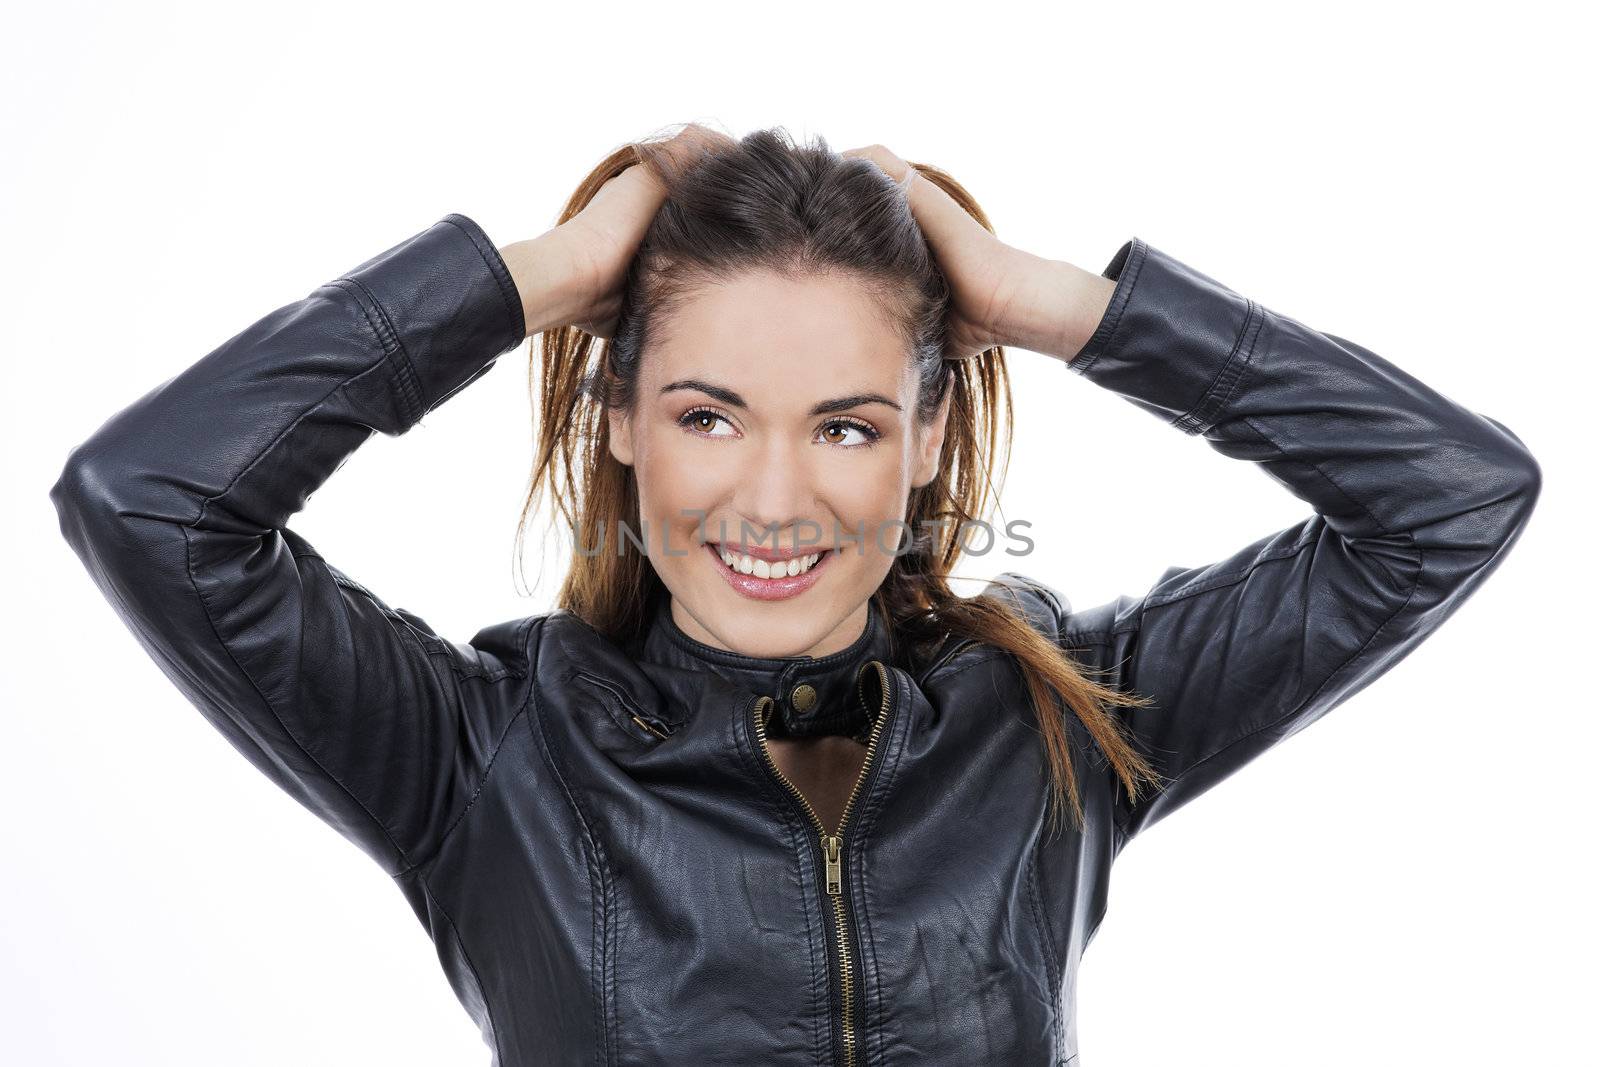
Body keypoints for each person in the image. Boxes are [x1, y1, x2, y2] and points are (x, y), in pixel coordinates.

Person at [49, 123, 1541, 1065]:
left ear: (928, 439)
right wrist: (543, 274)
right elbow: (150, 502)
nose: (773, 500)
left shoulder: (1056, 721)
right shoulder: (483, 755)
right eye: (707, 416)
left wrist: (1052, 304)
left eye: (846, 424)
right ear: (616, 421)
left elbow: (1448, 501)